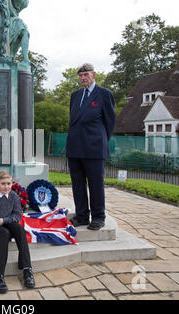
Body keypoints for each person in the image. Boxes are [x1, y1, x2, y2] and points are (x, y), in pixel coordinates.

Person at [65, 63, 116, 231]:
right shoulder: (75, 95)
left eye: (86, 74)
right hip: (75, 147)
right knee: (77, 184)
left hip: (94, 148)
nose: (83, 78)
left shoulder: (104, 94)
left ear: (93, 74)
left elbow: (109, 122)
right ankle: (81, 215)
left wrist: (100, 141)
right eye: (80, 75)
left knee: (95, 185)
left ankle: (98, 217)